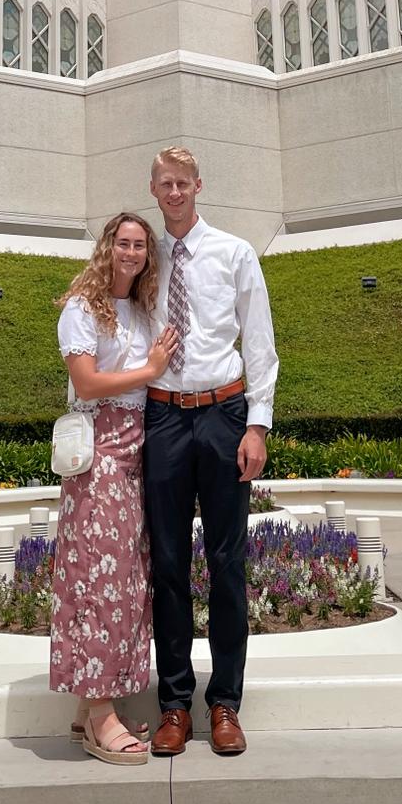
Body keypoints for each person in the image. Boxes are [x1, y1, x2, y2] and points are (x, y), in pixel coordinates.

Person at [143, 146, 279, 758]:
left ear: (200, 185)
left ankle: (224, 702)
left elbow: (260, 343)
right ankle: (174, 705)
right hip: (163, 418)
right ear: (153, 188)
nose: (174, 192)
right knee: (168, 565)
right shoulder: (142, 258)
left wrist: (258, 426)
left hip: (223, 416)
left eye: (182, 183)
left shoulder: (234, 253)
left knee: (227, 565)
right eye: (164, 183)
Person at [50, 210, 181, 766]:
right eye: (124, 243)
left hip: (136, 450)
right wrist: (149, 370)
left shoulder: (143, 311)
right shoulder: (82, 307)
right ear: (108, 247)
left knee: (123, 579)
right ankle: (101, 712)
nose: (131, 253)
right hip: (100, 453)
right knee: (98, 578)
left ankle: (90, 708)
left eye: (140, 246)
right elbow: (85, 381)